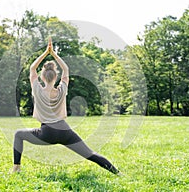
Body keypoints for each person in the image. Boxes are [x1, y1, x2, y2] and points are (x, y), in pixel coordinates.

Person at [12, 37, 120, 175]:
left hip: (46, 133)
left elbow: (32, 68)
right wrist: (54, 54)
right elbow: (66, 69)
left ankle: (16, 168)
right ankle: (117, 173)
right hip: (65, 131)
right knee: (90, 153)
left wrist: (46, 52)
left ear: (42, 77)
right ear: (56, 77)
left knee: (18, 134)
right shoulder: (62, 90)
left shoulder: (37, 89)